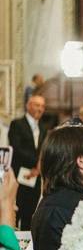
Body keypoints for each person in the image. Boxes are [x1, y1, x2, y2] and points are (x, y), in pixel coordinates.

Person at [10, 93, 48, 229]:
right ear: (28, 105)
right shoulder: (17, 124)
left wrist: (39, 168)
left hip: (36, 176)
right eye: (37, 105)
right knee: (15, 212)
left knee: (30, 212)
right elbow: (17, 147)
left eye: (43, 106)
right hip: (20, 175)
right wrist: (36, 162)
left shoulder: (44, 127)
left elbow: (44, 149)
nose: (40, 109)